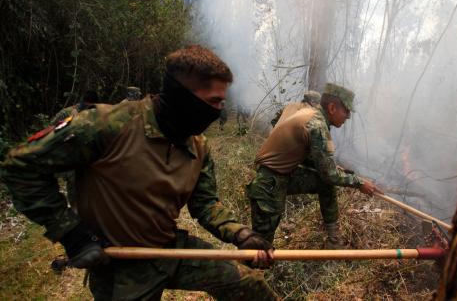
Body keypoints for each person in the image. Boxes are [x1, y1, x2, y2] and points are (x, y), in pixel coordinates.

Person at [0, 45, 278, 300]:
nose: (219, 111)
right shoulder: (110, 125)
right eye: (214, 101)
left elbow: (205, 205)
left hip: (169, 249)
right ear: (182, 96)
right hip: (120, 265)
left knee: (250, 287)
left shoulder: (198, 146)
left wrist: (240, 235)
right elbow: (21, 165)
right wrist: (71, 234)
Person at [247, 83, 382, 249]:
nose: (348, 116)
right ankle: (244, 272)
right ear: (332, 107)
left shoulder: (311, 115)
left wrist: (329, 167)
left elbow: (313, 160)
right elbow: (330, 174)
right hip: (269, 185)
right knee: (259, 249)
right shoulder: (317, 125)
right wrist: (359, 183)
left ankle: (334, 242)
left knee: (325, 183)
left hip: (281, 177)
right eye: (346, 110)